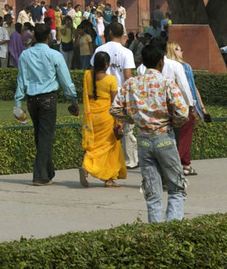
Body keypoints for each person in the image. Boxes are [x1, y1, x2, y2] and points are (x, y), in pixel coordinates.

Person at [112, 40, 189, 222]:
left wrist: (133, 118)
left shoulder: (131, 84)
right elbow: (183, 112)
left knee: (152, 191)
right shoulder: (167, 83)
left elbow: (115, 108)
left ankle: (155, 230)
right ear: (161, 61)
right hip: (164, 137)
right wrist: (172, 121)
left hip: (144, 140)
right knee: (176, 188)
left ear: (143, 62)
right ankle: (171, 228)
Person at [13, 22, 80, 186]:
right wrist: (73, 100)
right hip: (48, 99)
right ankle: (40, 175)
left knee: (40, 136)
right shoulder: (54, 55)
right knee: (45, 137)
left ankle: (47, 172)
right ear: (49, 37)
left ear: (34, 36)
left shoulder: (25, 55)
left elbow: (21, 80)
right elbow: (65, 80)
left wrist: (18, 103)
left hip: (32, 100)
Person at [78, 51, 126, 188]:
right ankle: (91, 169)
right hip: (106, 117)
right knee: (109, 146)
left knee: (95, 145)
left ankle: (104, 175)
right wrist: (120, 121)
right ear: (106, 65)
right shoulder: (111, 80)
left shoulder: (87, 76)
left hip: (91, 116)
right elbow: (115, 102)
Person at [95, 22, 137, 169]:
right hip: (120, 94)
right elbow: (127, 75)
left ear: (110, 32)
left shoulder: (100, 49)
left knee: (106, 129)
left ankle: (106, 158)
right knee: (126, 130)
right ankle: (129, 160)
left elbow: (93, 72)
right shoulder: (126, 52)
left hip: (103, 94)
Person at [166, 43, 209, 176]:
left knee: (175, 136)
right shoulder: (183, 67)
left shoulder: (164, 66)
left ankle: (175, 163)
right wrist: (195, 106)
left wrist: (202, 107)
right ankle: (185, 164)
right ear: (173, 51)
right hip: (184, 104)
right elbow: (189, 88)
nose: (182, 52)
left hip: (170, 105)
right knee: (185, 135)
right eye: (179, 49)